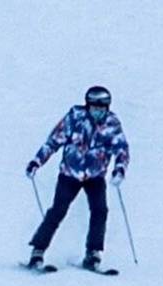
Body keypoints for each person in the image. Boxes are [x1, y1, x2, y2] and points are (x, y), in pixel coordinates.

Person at [26, 87, 130, 273]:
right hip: (70, 174)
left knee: (100, 211)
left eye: (102, 109)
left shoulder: (112, 123)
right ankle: (38, 251)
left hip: (95, 176)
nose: (98, 112)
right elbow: (54, 141)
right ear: (87, 106)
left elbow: (121, 149)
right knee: (58, 211)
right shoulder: (75, 118)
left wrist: (119, 170)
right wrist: (37, 162)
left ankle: (93, 253)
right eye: (94, 108)